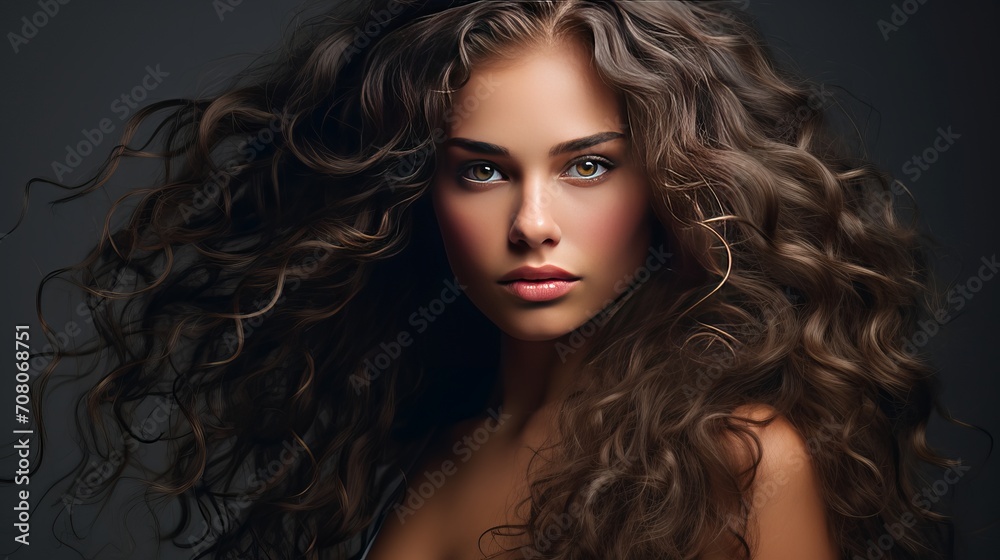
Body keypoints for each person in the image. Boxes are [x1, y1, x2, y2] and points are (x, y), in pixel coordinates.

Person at [26, 0, 960, 558]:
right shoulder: (430, 450)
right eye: (482, 169)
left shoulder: (738, 461)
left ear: (675, 185)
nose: (532, 223)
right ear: (421, 196)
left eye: (587, 166)